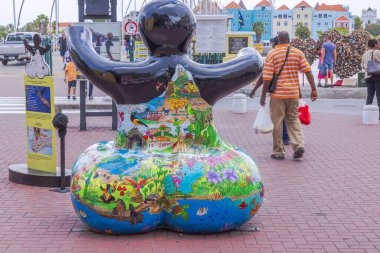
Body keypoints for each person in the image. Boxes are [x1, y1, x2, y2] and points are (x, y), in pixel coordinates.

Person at [260, 31, 317, 160]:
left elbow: (267, 77)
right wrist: (314, 89)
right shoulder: (298, 53)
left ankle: (279, 152)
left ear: (278, 40)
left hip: (277, 95)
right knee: (293, 120)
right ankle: (298, 145)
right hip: (293, 94)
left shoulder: (272, 53)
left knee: (277, 123)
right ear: (289, 39)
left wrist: (263, 95)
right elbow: (308, 71)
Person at [251, 36, 292, 145]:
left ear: (276, 43)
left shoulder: (272, 54)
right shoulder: (292, 53)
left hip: (278, 92)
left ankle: (283, 139)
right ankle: (288, 137)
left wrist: (258, 91)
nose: (272, 45)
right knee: (288, 116)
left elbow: (265, 76)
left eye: (272, 43)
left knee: (279, 117)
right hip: (292, 91)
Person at [361, 39, 380, 120]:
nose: (379, 45)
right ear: (375, 45)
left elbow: (362, 65)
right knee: (379, 95)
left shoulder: (365, 53)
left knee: (370, 95)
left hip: (368, 76)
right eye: (378, 43)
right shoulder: (377, 52)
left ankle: (367, 114)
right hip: (377, 76)